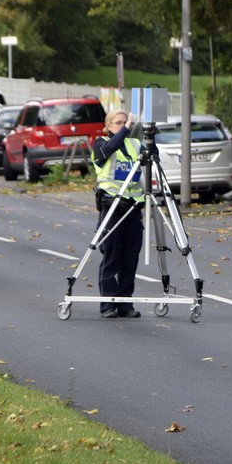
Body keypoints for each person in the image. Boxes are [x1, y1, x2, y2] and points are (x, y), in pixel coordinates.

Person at [91, 110, 145, 318]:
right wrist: (125, 130)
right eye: (118, 123)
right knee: (111, 257)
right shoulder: (100, 143)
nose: (123, 126)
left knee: (130, 259)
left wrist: (150, 135)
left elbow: (152, 157)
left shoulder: (134, 144)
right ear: (108, 126)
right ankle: (108, 304)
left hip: (132, 208)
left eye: (125, 122)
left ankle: (125, 303)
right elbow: (107, 152)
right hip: (111, 207)